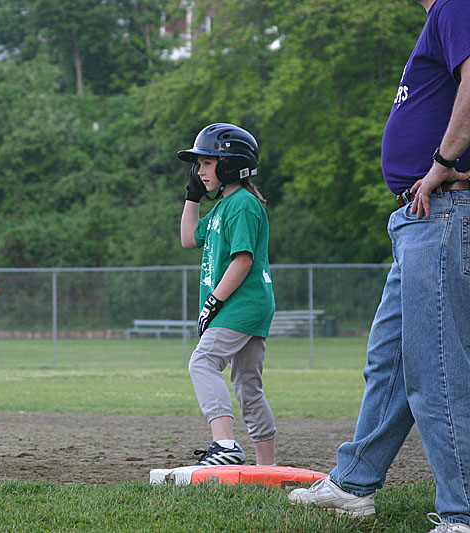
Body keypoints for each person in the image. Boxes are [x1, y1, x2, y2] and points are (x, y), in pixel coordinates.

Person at [287, 1, 470, 530]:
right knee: (389, 362)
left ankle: (462, 511)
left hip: (440, 211)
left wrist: (443, 163)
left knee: (436, 369)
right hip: (422, 219)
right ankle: (353, 483)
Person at [178, 123, 277, 467]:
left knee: (203, 361)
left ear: (231, 164)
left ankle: (225, 446)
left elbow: (243, 260)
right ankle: (267, 465)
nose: (200, 170)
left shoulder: (243, 205)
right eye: (199, 165)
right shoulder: (223, 206)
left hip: (241, 304)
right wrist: (192, 196)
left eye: (207, 163)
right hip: (245, 305)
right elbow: (189, 238)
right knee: (248, 387)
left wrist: (213, 301)